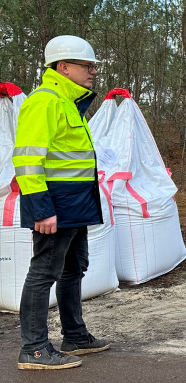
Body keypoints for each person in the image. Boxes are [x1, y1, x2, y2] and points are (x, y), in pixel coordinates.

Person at [13, 35, 111, 370]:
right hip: (54, 204)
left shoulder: (70, 103)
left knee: (75, 266)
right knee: (44, 272)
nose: (93, 71)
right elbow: (27, 159)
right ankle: (35, 349)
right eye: (87, 65)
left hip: (76, 202)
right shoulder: (45, 101)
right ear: (64, 67)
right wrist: (41, 207)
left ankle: (75, 335)